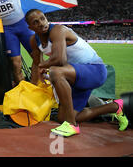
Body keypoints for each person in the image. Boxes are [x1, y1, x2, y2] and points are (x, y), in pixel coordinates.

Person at [25, 9, 128, 137]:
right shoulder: (34, 41)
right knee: (63, 117)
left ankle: (72, 125)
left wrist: (43, 66)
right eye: (36, 22)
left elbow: (59, 59)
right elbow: (37, 64)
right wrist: (33, 88)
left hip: (95, 70)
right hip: (75, 76)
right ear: (30, 27)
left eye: (43, 18)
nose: (41, 23)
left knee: (56, 72)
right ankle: (115, 107)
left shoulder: (58, 30)